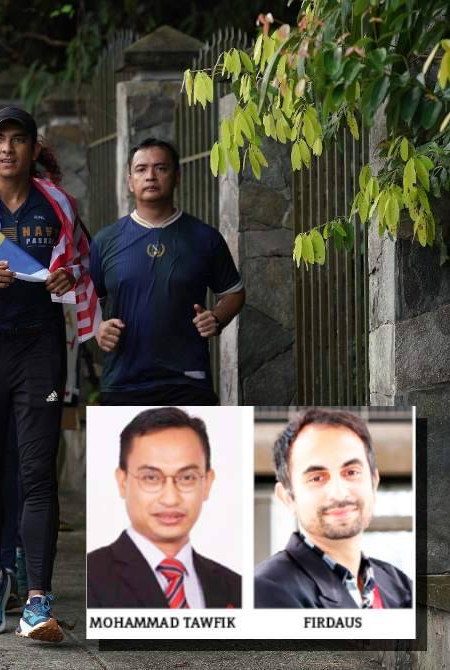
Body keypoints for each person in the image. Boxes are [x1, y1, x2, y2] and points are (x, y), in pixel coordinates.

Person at [0, 106, 80, 643]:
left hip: (37, 348)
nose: (7, 148)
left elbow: (80, 266)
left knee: (35, 473)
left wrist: (67, 277)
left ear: (32, 148)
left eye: (18, 139)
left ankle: (37, 599)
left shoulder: (58, 205)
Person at [90, 138, 245, 406]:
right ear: (130, 181)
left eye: (160, 168)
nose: (150, 175)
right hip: (123, 381)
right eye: (141, 169)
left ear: (177, 177)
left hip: (187, 381)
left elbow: (234, 293)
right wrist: (97, 328)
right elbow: (88, 301)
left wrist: (217, 318)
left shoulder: (204, 238)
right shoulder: (106, 240)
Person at [255, 408, 412, 609]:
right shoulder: (266, 592)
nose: (339, 493)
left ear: (374, 482)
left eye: (351, 472)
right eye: (317, 478)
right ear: (287, 498)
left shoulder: (400, 586)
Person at [86, 407, 241, 608]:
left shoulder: (236, 587)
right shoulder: (93, 578)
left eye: (187, 478)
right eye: (151, 478)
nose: (170, 499)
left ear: (207, 483)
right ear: (122, 482)